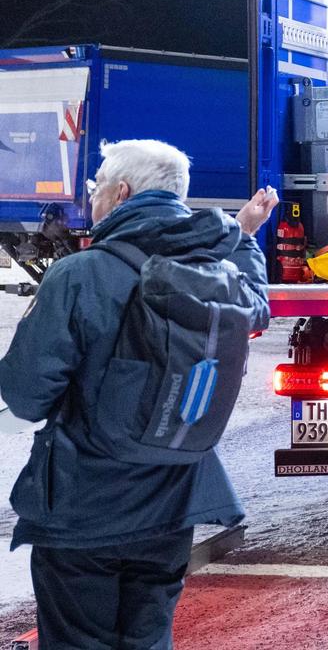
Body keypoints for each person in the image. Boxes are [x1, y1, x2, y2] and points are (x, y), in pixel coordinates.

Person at [0, 140, 278, 650]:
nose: (92, 199)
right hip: (171, 507)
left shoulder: (79, 274)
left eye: (98, 187)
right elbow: (257, 305)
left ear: (121, 193)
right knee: (149, 639)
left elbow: (25, 396)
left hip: (84, 509)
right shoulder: (215, 272)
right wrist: (242, 236)